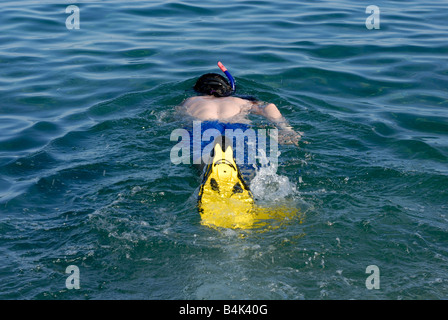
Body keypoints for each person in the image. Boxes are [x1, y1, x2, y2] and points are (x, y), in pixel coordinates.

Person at [180, 72, 302, 146]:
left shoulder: (190, 101)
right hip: (236, 128)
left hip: (205, 129)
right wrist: (286, 129)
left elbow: (176, 119)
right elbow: (270, 107)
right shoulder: (240, 101)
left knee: (203, 155)